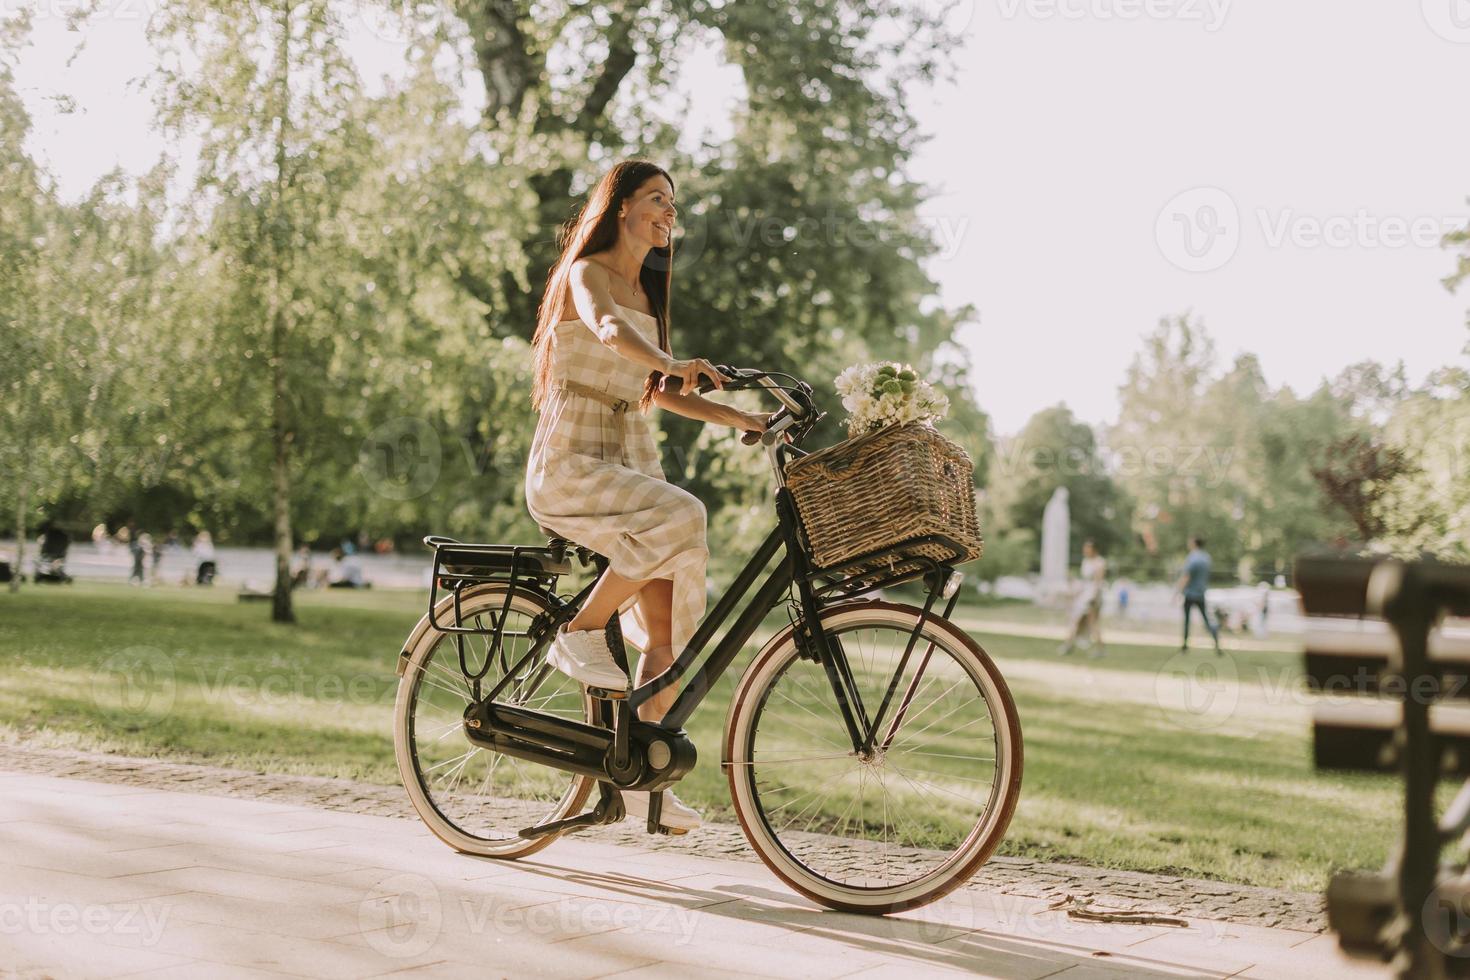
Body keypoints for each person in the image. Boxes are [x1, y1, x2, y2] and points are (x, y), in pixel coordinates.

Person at [522, 160, 769, 832]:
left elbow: (662, 393)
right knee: (685, 515)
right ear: (620, 206)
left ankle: (634, 777)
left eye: (674, 204)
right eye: (657, 199)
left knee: (671, 638)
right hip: (573, 459)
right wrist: (669, 359)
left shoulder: (650, 294)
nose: (668, 213)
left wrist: (743, 418)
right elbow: (607, 332)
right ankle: (576, 630)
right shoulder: (589, 273)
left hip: (631, 458)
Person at [1059, 540, 1107, 657]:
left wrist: (1093, 597)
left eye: (1088, 548)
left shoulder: (1100, 562)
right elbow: (1084, 581)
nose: (1085, 551)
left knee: (1092, 622)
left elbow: (1097, 582)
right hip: (1084, 594)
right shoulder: (1086, 561)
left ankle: (1100, 649)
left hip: (1092, 596)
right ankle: (1069, 644)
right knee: (1076, 620)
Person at [1175, 536, 1221, 654]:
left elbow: (1186, 576)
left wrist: (1177, 592)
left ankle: (1185, 646)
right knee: (1206, 620)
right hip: (1201, 593)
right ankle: (1216, 643)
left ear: (1194, 543)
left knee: (1187, 621)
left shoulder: (1192, 558)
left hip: (1190, 593)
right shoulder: (1206, 558)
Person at [126, 521, 146, 586]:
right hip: (137, 553)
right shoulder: (132, 533)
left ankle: (139, 580)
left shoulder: (134, 534)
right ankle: (139, 580)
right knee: (137, 567)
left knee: (138, 567)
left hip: (138, 553)